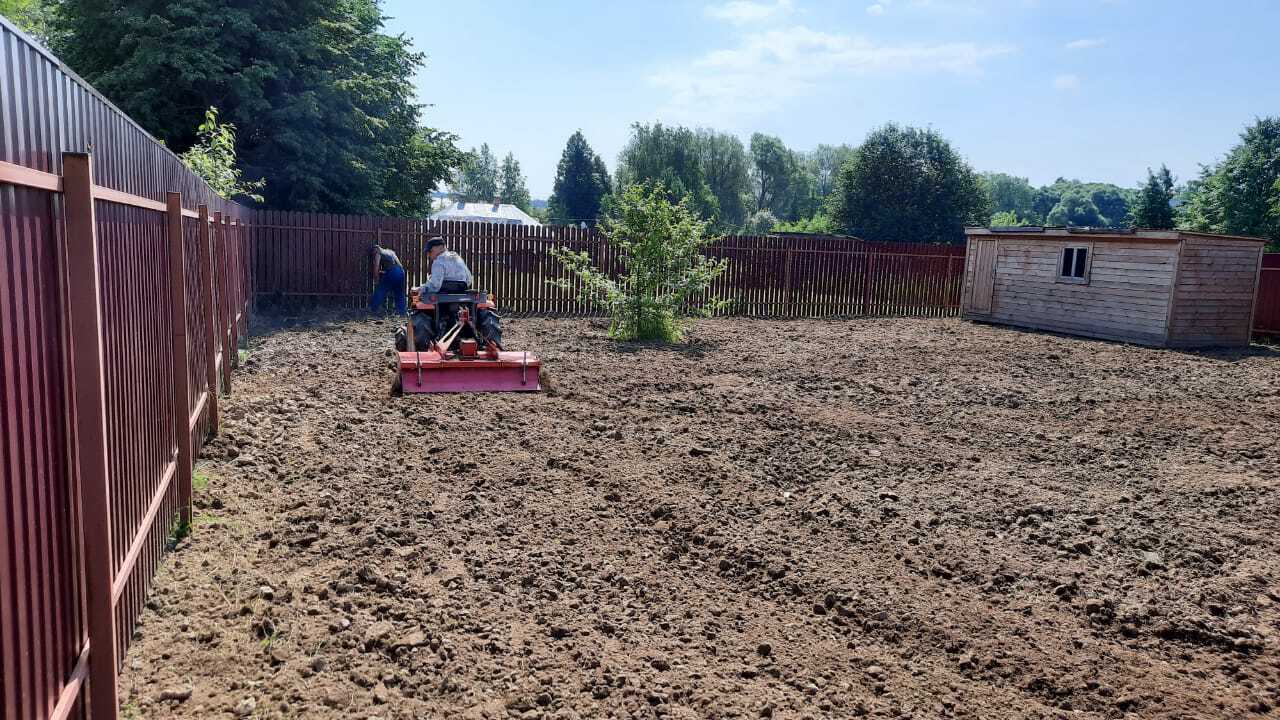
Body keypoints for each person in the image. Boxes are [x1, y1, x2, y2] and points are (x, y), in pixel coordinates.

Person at [369, 243, 407, 315]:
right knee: (399, 292)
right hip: (401, 272)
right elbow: (396, 265)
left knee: (381, 289)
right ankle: (402, 311)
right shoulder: (390, 252)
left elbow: (376, 266)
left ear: (375, 250)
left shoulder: (378, 253)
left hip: (392, 272)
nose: (373, 256)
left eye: (373, 253)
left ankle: (373, 308)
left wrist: (376, 278)